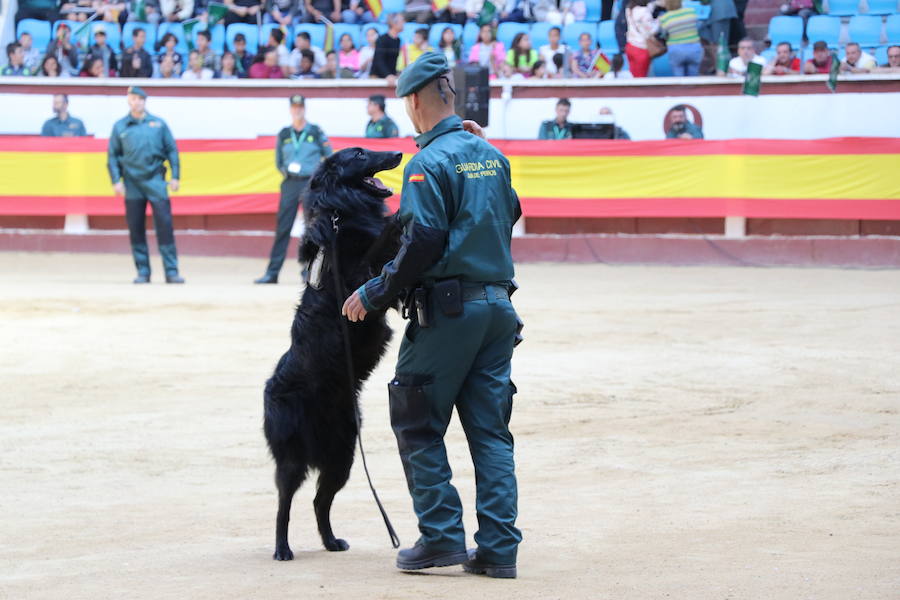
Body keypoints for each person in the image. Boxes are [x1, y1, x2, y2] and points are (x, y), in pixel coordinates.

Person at [341, 52, 522, 579]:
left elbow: (422, 240)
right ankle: (498, 550)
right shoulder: (488, 152)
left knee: (417, 421)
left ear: (415, 100)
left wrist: (374, 292)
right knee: (490, 433)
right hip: (498, 308)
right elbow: (510, 212)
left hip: (449, 313)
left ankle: (441, 537)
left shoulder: (429, 161)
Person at [107, 87, 185, 284]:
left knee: (165, 226)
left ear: (145, 101)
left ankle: (171, 271)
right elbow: (112, 156)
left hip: (156, 181)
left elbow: (172, 151)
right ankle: (143, 271)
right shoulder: (120, 126)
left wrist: (175, 176)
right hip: (132, 183)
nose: (137, 102)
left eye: (140, 99)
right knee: (136, 228)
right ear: (128, 101)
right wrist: (116, 180)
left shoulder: (158, 124)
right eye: (133, 99)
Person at [254, 95, 332, 284]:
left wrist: (318, 177)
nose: (297, 110)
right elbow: (279, 162)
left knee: (311, 228)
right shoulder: (284, 134)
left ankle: (309, 272)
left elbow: (329, 157)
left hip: (310, 183)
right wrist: (287, 171)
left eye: (300, 107)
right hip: (290, 182)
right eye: (294, 107)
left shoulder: (315, 131)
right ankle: (272, 273)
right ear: (290, 109)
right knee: (283, 227)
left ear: (304, 109)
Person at [658, 0, 701, 77]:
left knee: (679, 79)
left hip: (676, 49)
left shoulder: (665, 18)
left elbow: (663, 35)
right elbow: (698, 26)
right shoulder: (691, 12)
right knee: (694, 78)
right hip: (694, 47)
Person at [624, 0, 658, 78]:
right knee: (641, 78)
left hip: (630, 45)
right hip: (641, 48)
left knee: (633, 76)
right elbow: (652, 30)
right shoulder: (644, 12)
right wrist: (658, 22)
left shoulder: (629, 9)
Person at [371, 13, 405, 79]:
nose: (404, 23)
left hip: (391, 77)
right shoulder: (382, 39)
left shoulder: (398, 40)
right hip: (377, 77)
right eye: (402, 21)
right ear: (394, 23)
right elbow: (379, 60)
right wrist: (387, 75)